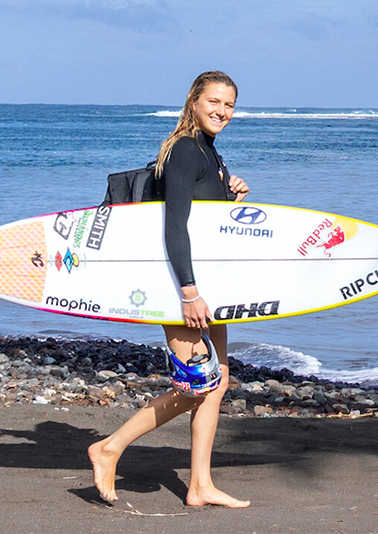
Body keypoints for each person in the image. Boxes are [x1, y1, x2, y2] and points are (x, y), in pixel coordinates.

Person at [88, 71, 251, 508]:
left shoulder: (211, 154)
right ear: (194, 102)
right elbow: (173, 225)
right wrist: (188, 292)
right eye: (214, 101)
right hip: (181, 284)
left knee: (218, 382)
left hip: (204, 281)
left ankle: (199, 485)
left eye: (230, 105)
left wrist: (229, 196)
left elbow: (204, 225)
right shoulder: (183, 150)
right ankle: (108, 448)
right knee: (198, 383)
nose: (222, 111)